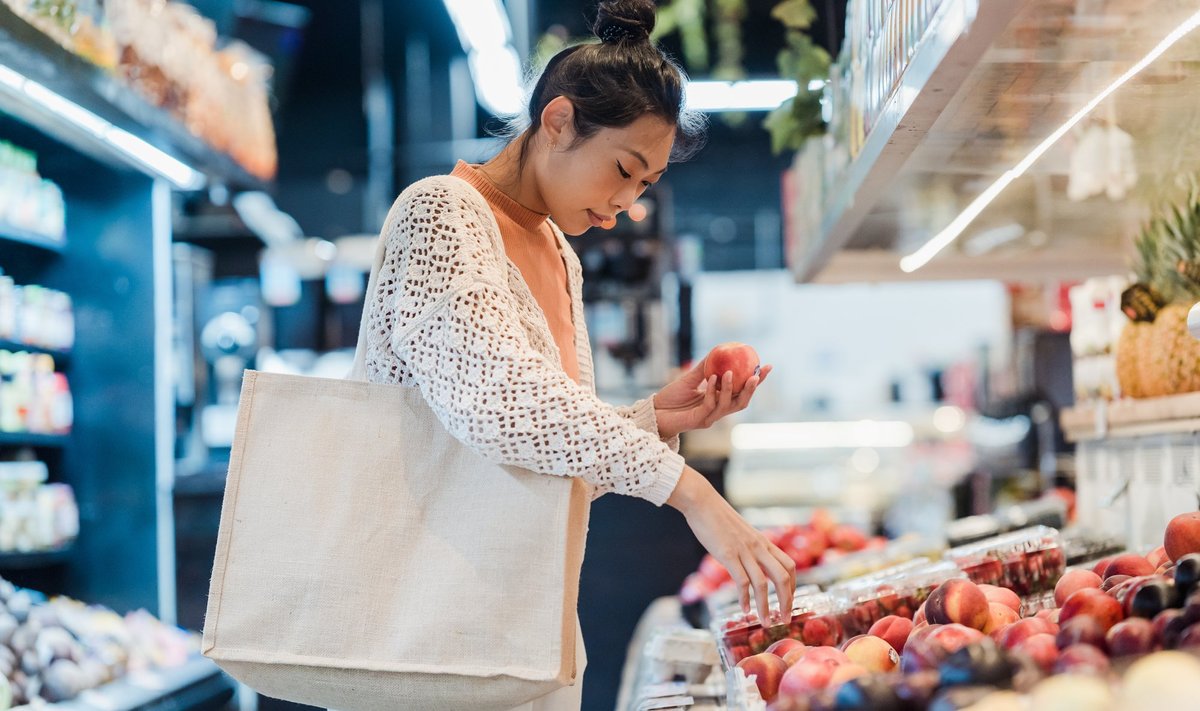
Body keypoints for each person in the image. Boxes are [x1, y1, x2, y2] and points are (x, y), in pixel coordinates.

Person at [362, 0, 795, 707]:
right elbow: (497, 404)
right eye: (624, 169)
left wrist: (659, 416)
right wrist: (689, 490)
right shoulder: (441, 212)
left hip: (530, 634)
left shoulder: (560, 253)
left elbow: (539, 465)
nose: (626, 202)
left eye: (645, 184)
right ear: (558, 120)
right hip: (424, 637)